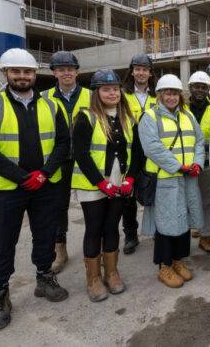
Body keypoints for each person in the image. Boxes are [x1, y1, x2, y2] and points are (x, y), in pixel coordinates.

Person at [0, 48, 70, 331]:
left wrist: (44, 173)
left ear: (34, 74)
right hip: (5, 189)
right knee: (3, 242)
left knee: (45, 235)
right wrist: (22, 177)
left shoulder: (52, 106)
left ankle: (44, 278)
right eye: (16, 71)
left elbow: (63, 143)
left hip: (45, 185)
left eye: (27, 72)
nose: (22, 76)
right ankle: (0, 294)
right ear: (5, 73)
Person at [71, 69, 137, 302]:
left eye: (115, 89)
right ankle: (94, 279)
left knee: (111, 227)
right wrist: (100, 183)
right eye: (106, 89)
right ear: (96, 92)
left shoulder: (129, 118)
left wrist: (130, 178)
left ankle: (111, 273)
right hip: (92, 185)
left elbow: (137, 152)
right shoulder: (86, 117)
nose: (112, 93)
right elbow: (81, 154)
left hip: (119, 182)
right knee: (94, 228)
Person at [136, 74, 205, 288]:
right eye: (167, 93)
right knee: (166, 223)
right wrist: (178, 166)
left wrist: (197, 163)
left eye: (175, 93)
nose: (171, 97)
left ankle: (178, 260)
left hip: (188, 178)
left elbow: (199, 141)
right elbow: (152, 148)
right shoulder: (149, 117)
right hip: (165, 180)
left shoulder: (188, 115)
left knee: (184, 221)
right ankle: (164, 266)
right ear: (159, 95)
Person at [41, 51, 91, 274]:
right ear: (54, 73)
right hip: (58, 161)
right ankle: (60, 251)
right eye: (61, 70)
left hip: (86, 160)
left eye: (70, 69)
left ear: (77, 72)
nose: (66, 73)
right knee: (58, 206)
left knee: (93, 204)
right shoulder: (43, 98)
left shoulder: (91, 95)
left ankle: (95, 248)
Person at [121, 53, 158, 255]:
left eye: (145, 69)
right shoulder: (122, 95)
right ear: (132, 72)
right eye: (138, 69)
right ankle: (130, 234)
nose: (141, 73)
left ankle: (156, 229)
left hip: (152, 150)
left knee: (154, 191)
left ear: (150, 73)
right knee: (128, 196)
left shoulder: (158, 95)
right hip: (129, 150)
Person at [187, 70, 210, 256]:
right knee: (184, 202)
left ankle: (205, 236)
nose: (199, 90)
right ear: (190, 88)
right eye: (196, 87)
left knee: (207, 201)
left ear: (208, 90)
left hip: (206, 165)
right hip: (184, 165)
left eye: (203, 87)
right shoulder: (181, 109)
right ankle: (183, 236)